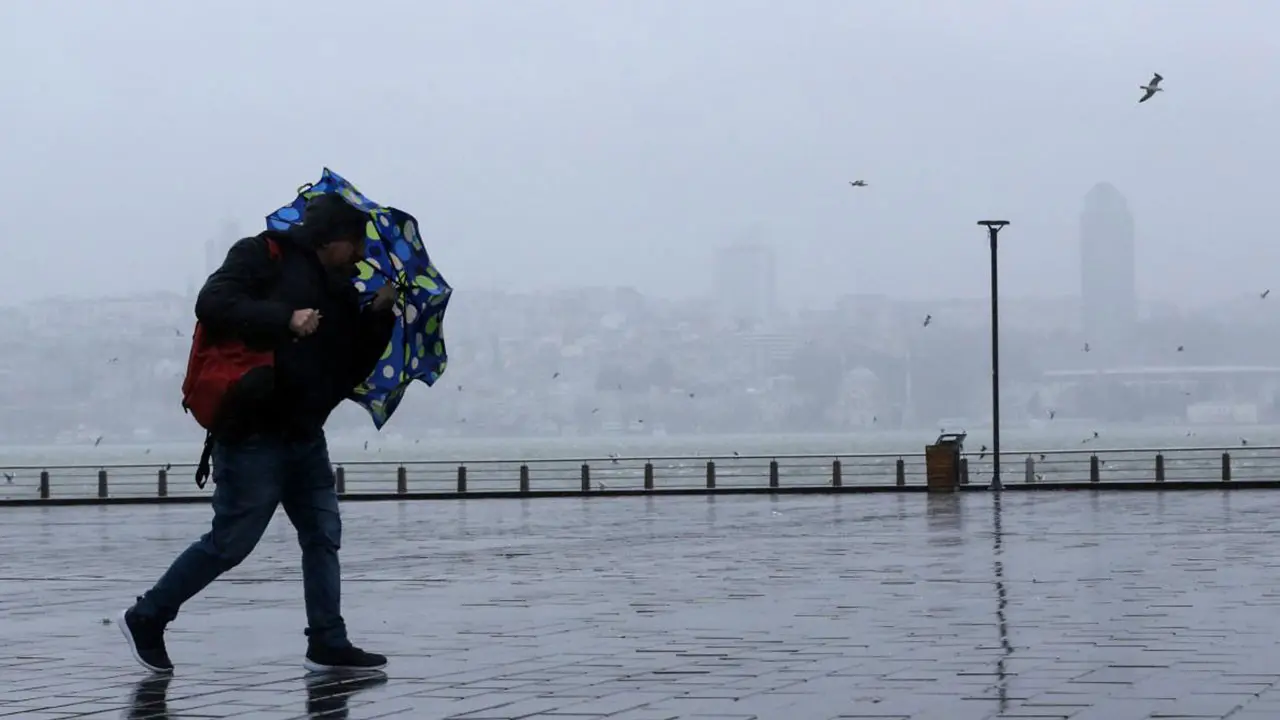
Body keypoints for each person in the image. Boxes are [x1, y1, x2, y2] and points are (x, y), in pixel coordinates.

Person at [118, 194, 397, 674]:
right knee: (231, 542)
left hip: (305, 434)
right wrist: (285, 318)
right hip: (252, 432)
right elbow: (212, 303)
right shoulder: (261, 255)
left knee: (322, 535)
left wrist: (378, 317)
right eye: (355, 242)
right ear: (329, 239)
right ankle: (148, 615)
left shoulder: (342, 291)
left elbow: (349, 370)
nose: (360, 253)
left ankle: (327, 641)